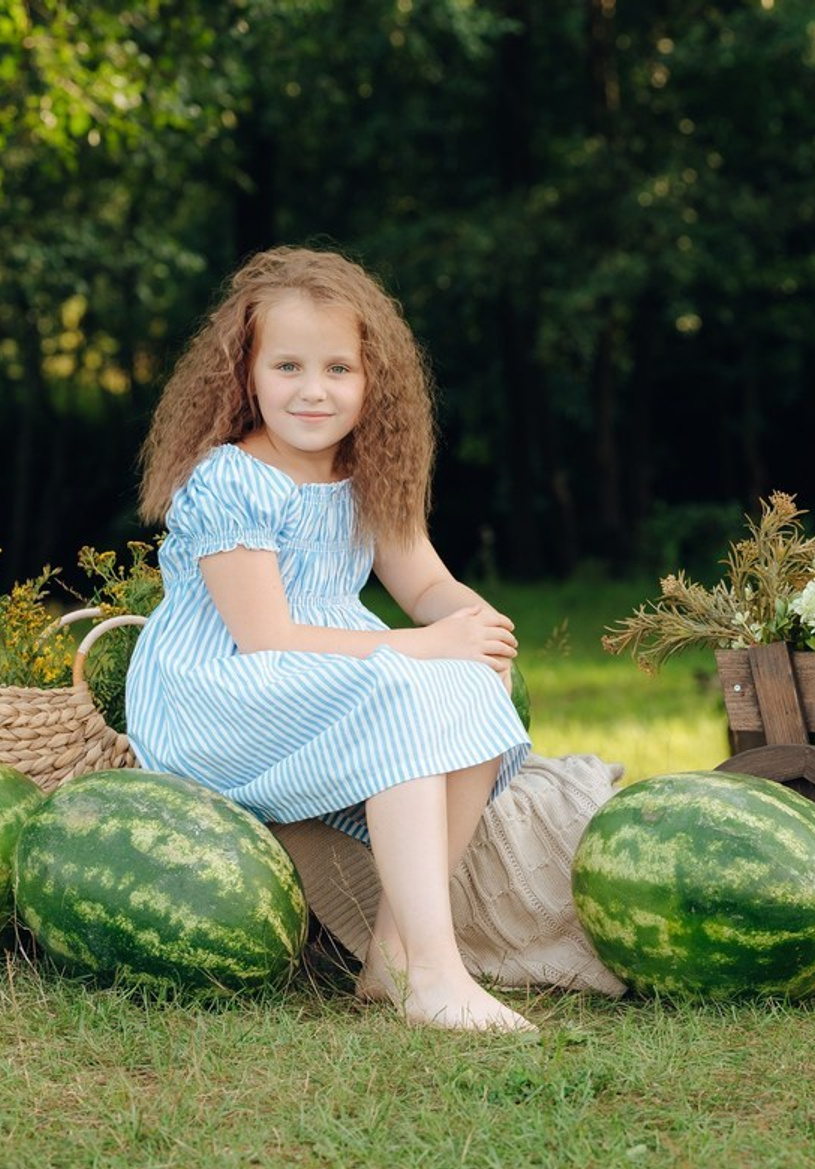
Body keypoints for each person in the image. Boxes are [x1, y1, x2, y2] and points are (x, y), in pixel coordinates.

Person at [126, 246, 534, 1033]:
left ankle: (394, 957)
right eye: (287, 367)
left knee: (476, 682)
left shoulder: (367, 469)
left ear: (373, 378)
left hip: (329, 664)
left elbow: (421, 585)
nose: (314, 390)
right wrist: (423, 648)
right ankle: (439, 975)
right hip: (218, 691)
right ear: (244, 375)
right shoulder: (230, 479)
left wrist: (469, 622)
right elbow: (266, 636)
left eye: (338, 369)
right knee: (403, 686)